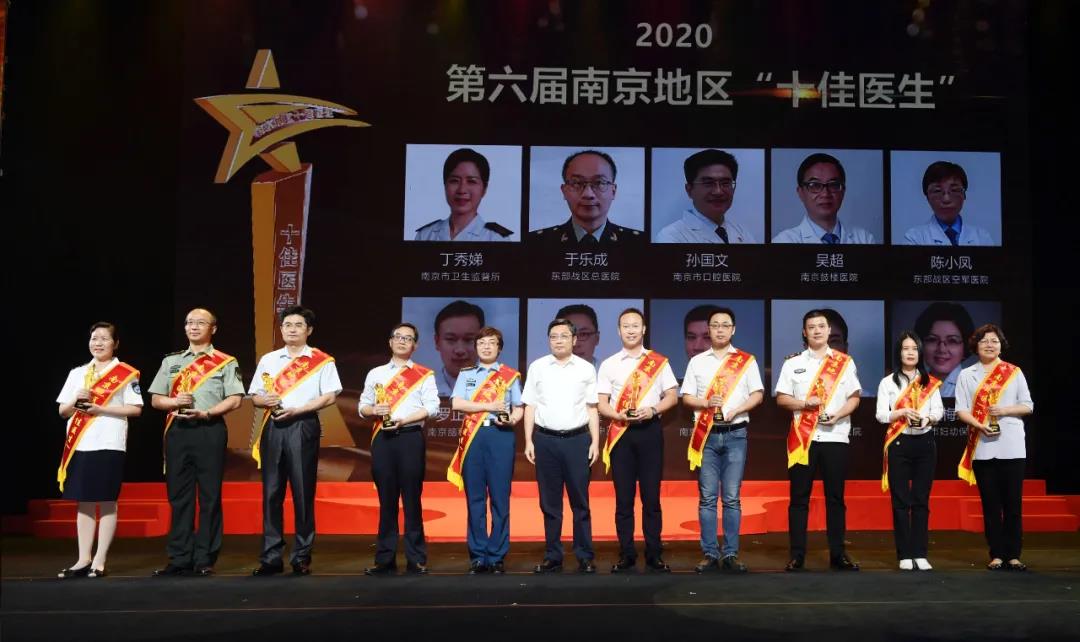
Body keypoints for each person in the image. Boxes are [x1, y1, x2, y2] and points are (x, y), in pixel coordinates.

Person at [149, 308, 244, 577]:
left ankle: (205, 558)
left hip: (209, 429)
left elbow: (235, 399)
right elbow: (156, 399)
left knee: (210, 496)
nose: (193, 327)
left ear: (213, 328)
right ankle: (179, 557)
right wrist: (173, 402)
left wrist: (208, 413)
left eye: (200, 323)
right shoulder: (172, 361)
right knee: (179, 496)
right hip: (178, 431)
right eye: (189, 322)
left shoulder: (225, 362)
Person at [249, 306, 342, 576]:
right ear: (281, 329)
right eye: (287, 324)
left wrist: (299, 409)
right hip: (274, 425)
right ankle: (271, 557)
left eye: (298, 325)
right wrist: (263, 400)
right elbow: (255, 396)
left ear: (308, 330)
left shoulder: (322, 360)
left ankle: (301, 556)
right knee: (271, 493)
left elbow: (329, 396)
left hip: (303, 424)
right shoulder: (269, 360)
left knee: (302, 492)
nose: (292, 329)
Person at [776, 309, 862, 571]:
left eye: (821, 326)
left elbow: (854, 397)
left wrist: (838, 415)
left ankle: (838, 554)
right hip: (803, 439)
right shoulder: (792, 363)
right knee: (799, 498)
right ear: (804, 332)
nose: (817, 331)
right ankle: (797, 555)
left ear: (828, 331)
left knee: (835, 498)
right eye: (811, 327)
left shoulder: (844, 362)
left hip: (836, 437)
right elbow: (782, 398)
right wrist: (804, 404)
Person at [55, 322, 143, 578]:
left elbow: (135, 409)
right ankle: (82, 559)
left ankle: (99, 560)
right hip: (80, 443)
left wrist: (101, 409)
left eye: (104, 338)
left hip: (109, 442)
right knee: (83, 501)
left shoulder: (125, 373)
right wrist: (76, 399)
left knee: (105, 500)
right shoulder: (77, 373)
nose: (98, 343)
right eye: (94, 338)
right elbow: (62, 411)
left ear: (115, 344)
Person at [680, 307, 764, 573]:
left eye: (725, 325)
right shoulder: (697, 362)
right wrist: (705, 403)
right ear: (709, 329)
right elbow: (686, 397)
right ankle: (709, 552)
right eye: (715, 325)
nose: (719, 329)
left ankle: (730, 553)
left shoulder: (746, 361)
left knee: (731, 497)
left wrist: (738, 409)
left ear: (733, 329)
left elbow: (757, 394)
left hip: (735, 434)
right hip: (706, 435)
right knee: (707, 498)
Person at [596, 308, 679, 573]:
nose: (630, 330)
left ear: (643, 329)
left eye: (635, 325)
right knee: (624, 499)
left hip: (650, 432)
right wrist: (617, 415)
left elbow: (672, 396)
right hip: (621, 433)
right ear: (618, 330)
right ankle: (627, 554)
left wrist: (653, 410)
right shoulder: (609, 364)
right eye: (626, 326)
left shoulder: (658, 362)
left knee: (651, 498)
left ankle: (654, 554)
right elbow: (601, 403)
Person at [359, 322, 440, 575]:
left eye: (408, 338)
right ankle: (384, 559)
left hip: (410, 438)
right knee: (387, 500)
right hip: (383, 439)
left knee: (412, 499)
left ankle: (416, 558)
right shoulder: (376, 373)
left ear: (415, 345)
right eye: (398, 337)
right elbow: (362, 407)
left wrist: (404, 420)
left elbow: (432, 407)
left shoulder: (424, 375)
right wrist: (374, 409)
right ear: (390, 342)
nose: (402, 341)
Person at [522, 318, 601, 573]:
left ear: (574, 340)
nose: (558, 341)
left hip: (578, 441)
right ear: (549, 340)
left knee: (580, 502)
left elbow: (592, 408)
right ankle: (553, 556)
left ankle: (584, 555)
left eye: (564, 336)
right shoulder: (537, 367)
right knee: (550, 503)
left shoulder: (586, 369)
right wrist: (528, 440)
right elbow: (530, 406)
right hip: (545, 441)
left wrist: (595, 442)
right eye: (554, 336)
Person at [955, 324, 1034, 571]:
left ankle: (1014, 555)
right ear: (976, 346)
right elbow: (961, 410)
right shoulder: (967, 374)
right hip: (983, 446)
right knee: (990, 504)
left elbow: (1028, 405)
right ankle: (997, 554)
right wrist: (979, 425)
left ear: (1001, 345)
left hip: (1012, 446)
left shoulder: (1013, 372)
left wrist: (1004, 410)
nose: (990, 345)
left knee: (1013, 504)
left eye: (995, 341)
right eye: (984, 341)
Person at [448, 327, 523, 574]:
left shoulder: (510, 376)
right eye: (482, 343)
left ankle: (497, 555)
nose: (486, 347)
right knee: (475, 499)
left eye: (491, 343)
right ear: (476, 347)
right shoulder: (467, 374)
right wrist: (488, 406)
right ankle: (478, 555)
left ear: (499, 348)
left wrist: (512, 419)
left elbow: (519, 407)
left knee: (500, 498)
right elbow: (457, 403)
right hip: (474, 437)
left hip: (500, 436)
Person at [875, 332, 944, 571]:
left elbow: (938, 411)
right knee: (901, 501)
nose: (910, 352)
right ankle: (904, 553)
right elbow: (881, 415)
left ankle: (920, 553)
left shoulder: (930, 382)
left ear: (920, 352)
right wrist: (902, 413)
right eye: (906, 348)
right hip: (899, 443)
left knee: (921, 500)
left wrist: (927, 419)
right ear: (899, 353)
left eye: (914, 348)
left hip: (925, 443)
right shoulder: (888, 383)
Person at [531, 149, 643, 246]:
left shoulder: (639, 243)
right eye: (577, 183)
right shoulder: (536, 242)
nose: (588, 194)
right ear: (564, 191)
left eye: (599, 183)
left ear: (613, 191)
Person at [772, 153, 876, 244]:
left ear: (843, 192)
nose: (825, 194)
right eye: (814, 185)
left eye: (833, 185)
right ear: (800, 193)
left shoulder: (865, 239)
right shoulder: (784, 241)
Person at [656, 149, 757, 243]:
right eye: (708, 183)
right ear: (689, 190)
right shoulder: (670, 237)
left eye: (725, 183)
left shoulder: (743, 233)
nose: (718, 192)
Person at [414, 148, 514, 241]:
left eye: (471, 181)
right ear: (445, 185)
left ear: (484, 189)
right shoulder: (425, 235)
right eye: (454, 181)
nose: (462, 190)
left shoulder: (497, 238)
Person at [903, 161, 994, 246]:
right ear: (927, 197)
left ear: (964, 195)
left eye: (954, 190)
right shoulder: (914, 238)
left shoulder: (982, 238)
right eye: (937, 191)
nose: (946, 199)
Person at [914, 301, 975, 397]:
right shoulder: (911, 385)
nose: (942, 349)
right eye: (932, 339)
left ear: (965, 346)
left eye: (952, 341)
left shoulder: (974, 387)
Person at [432, 300, 485, 396]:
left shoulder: (501, 388)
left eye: (469, 339)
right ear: (437, 342)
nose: (460, 350)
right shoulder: (419, 389)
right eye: (451, 339)